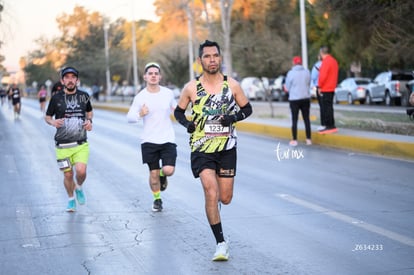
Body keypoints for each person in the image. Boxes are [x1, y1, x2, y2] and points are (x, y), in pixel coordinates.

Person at [174, 40, 252, 261]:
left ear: (220, 58)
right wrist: (186, 124)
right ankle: (220, 243)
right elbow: (178, 113)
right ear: (200, 61)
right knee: (210, 190)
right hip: (201, 148)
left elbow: (247, 108)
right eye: (207, 56)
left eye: (215, 56)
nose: (212, 60)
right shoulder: (191, 88)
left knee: (225, 198)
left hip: (227, 148)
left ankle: (216, 202)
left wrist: (233, 117)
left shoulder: (232, 85)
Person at [127, 62, 177, 212]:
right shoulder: (140, 97)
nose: (153, 76)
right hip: (149, 140)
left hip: (167, 138)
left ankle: (163, 174)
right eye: (150, 73)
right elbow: (129, 117)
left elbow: (176, 109)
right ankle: (157, 199)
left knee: (168, 170)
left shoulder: (168, 93)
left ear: (160, 77)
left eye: (156, 73)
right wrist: (140, 114)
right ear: (145, 77)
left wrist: (183, 116)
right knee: (153, 173)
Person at [44, 67, 93, 212]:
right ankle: (71, 199)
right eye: (67, 77)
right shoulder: (56, 98)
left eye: (73, 77)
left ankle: (79, 187)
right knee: (68, 174)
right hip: (62, 146)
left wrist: (90, 122)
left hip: (80, 144)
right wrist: (52, 122)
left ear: (77, 80)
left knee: (81, 171)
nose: (70, 80)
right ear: (62, 80)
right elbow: (47, 116)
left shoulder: (84, 96)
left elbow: (89, 112)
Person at [285, 56, 312, 146]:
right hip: (305, 98)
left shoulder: (290, 73)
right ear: (301, 63)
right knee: (306, 119)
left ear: (294, 62)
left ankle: (294, 140)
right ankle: (308, 139)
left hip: (294, 99)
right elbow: (309, 83)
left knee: (294, 119)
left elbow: (287, 87)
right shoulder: (307, 72)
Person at [318, 46, 339, 134]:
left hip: (326, 88)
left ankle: (328, 126)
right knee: (329, 107)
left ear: (321, 53)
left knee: (326, 108)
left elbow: (323, 76)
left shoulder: (325, 62)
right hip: (332, 87)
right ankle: (331, 125)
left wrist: (319, 86)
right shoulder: (334, 61)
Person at [310, 54, 323, 129]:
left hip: (320, 87)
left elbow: (313, 76)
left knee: (322, 106)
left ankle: (323, 124)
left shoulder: (317, 65)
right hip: (328, 87)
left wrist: (313, 85)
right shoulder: (327, 64)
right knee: (328, 106)